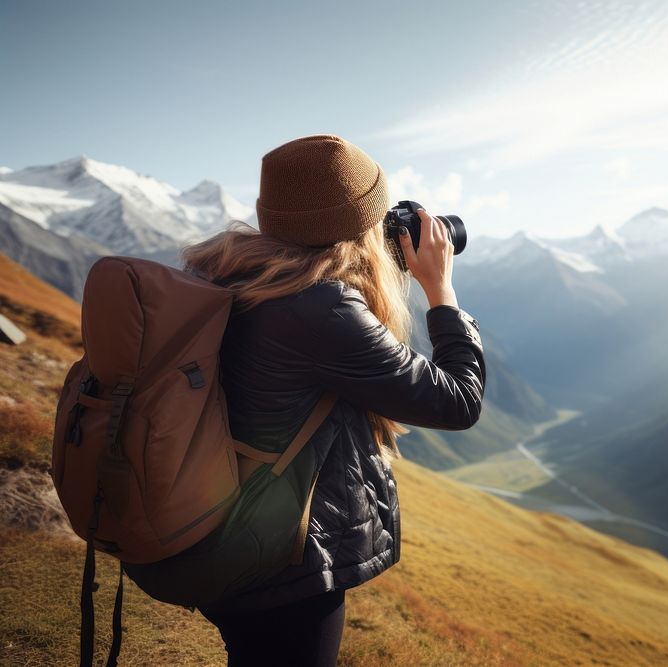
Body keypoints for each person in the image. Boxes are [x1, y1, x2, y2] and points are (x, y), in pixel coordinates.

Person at [178, 134, 487, 666]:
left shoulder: (222, 272)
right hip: (279, 561)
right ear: (361, 223)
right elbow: (457, 402)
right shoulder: (319, 310)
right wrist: (441, 291)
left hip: (214, 523)